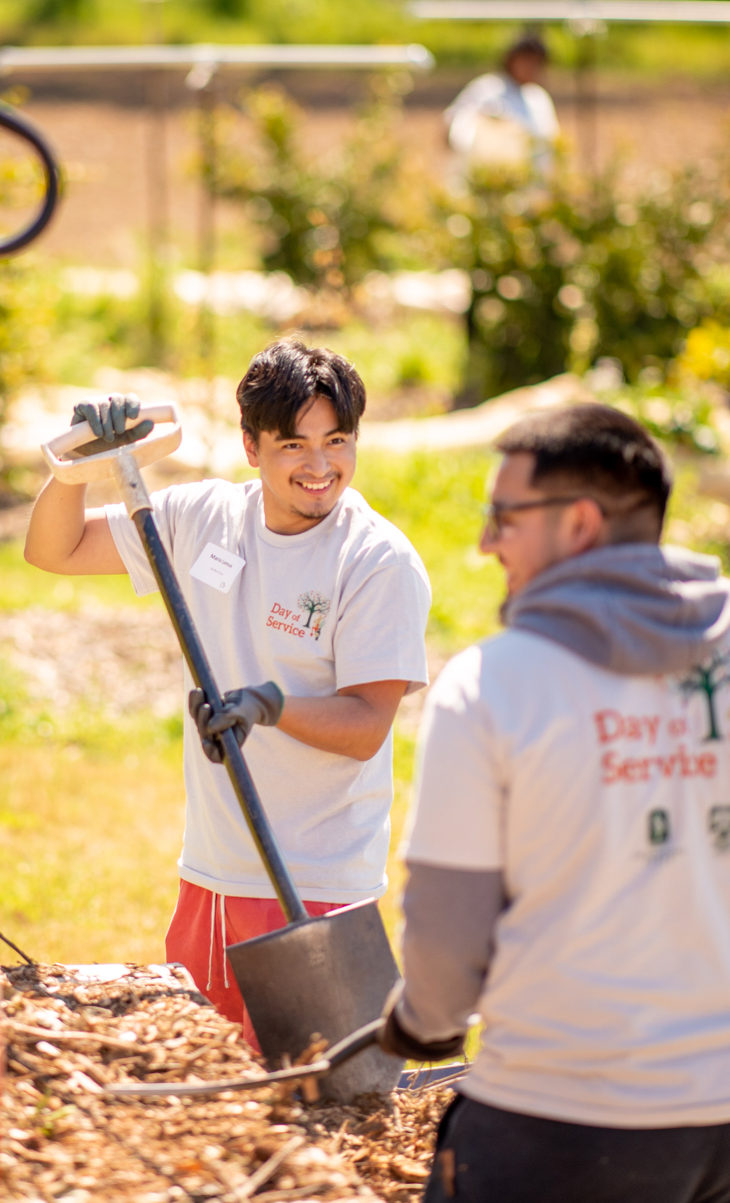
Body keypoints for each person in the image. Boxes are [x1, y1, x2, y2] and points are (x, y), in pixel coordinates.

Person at [380, 404, 730, 1203]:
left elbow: (447, 940)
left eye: (503, 518)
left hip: (558, 1128)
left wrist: (425, 1021)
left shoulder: (493, 688)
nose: (484, 542)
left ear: (578, 523)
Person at [23, 340, 432, 1044]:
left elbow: (367, 723)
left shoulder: (375, 560)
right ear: (250, 446)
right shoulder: (202, 518)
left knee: (318, 1110)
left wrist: (268, 705)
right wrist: (74, 467)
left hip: (314, 883)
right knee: (210, 1101)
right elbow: (52, 551)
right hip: (212, 871)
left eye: (337, 442)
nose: (319, 466)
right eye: (293, 445)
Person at [444, 34, 562, 183]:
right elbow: (457, 129)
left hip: (527, 181)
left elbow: (550, 141)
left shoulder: (539, 99)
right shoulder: (488, 89)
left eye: (537, 62)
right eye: (526, 61)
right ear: (511, 60)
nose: (532, 68)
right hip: (484, 181)